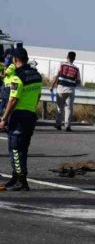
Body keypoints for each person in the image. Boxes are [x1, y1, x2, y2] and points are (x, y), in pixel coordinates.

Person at [0, 47, 42, 192]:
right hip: (30, 116)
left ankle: (21, 180)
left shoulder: (18, 76)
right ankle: (16, 177)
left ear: (15, 59)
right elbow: (38, 96)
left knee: (15, 150)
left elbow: (13, 100)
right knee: (22, 149)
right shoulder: (36, 75)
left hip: (18, 117)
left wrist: (4, 118)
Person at [50, 51, 81, 131]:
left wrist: (52, 87)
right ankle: (67, 126)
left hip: (60, 89)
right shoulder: (76, 69)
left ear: (67, 56)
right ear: (74, 58)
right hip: (70, 90)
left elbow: (56, 76)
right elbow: (78, 81)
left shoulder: (62, 65)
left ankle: (58, 125)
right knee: (69, 108)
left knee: (59, 108)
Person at [0, 49, 15, 114]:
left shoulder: (11, 66)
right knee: (4, 101)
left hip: (8, 87)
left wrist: (5, 66)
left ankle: (4, 117)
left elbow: (3, 75)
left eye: (7, 57)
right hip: (7, 86)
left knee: (5, 102)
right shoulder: (13, 65)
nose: (5, 59)